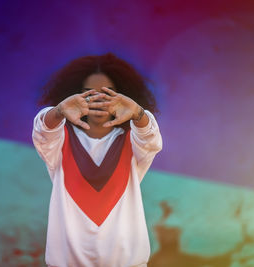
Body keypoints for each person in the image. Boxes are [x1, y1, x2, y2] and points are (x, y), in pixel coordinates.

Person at [32, 53, 163, 267]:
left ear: (123, 96)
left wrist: (138, 113)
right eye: (88, 94)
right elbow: (43, 130)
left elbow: (150, 137)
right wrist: (59, 111)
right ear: (72, 96)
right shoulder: (60, 140)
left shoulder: (133, 140)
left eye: (108, 94)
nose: (98, 100)